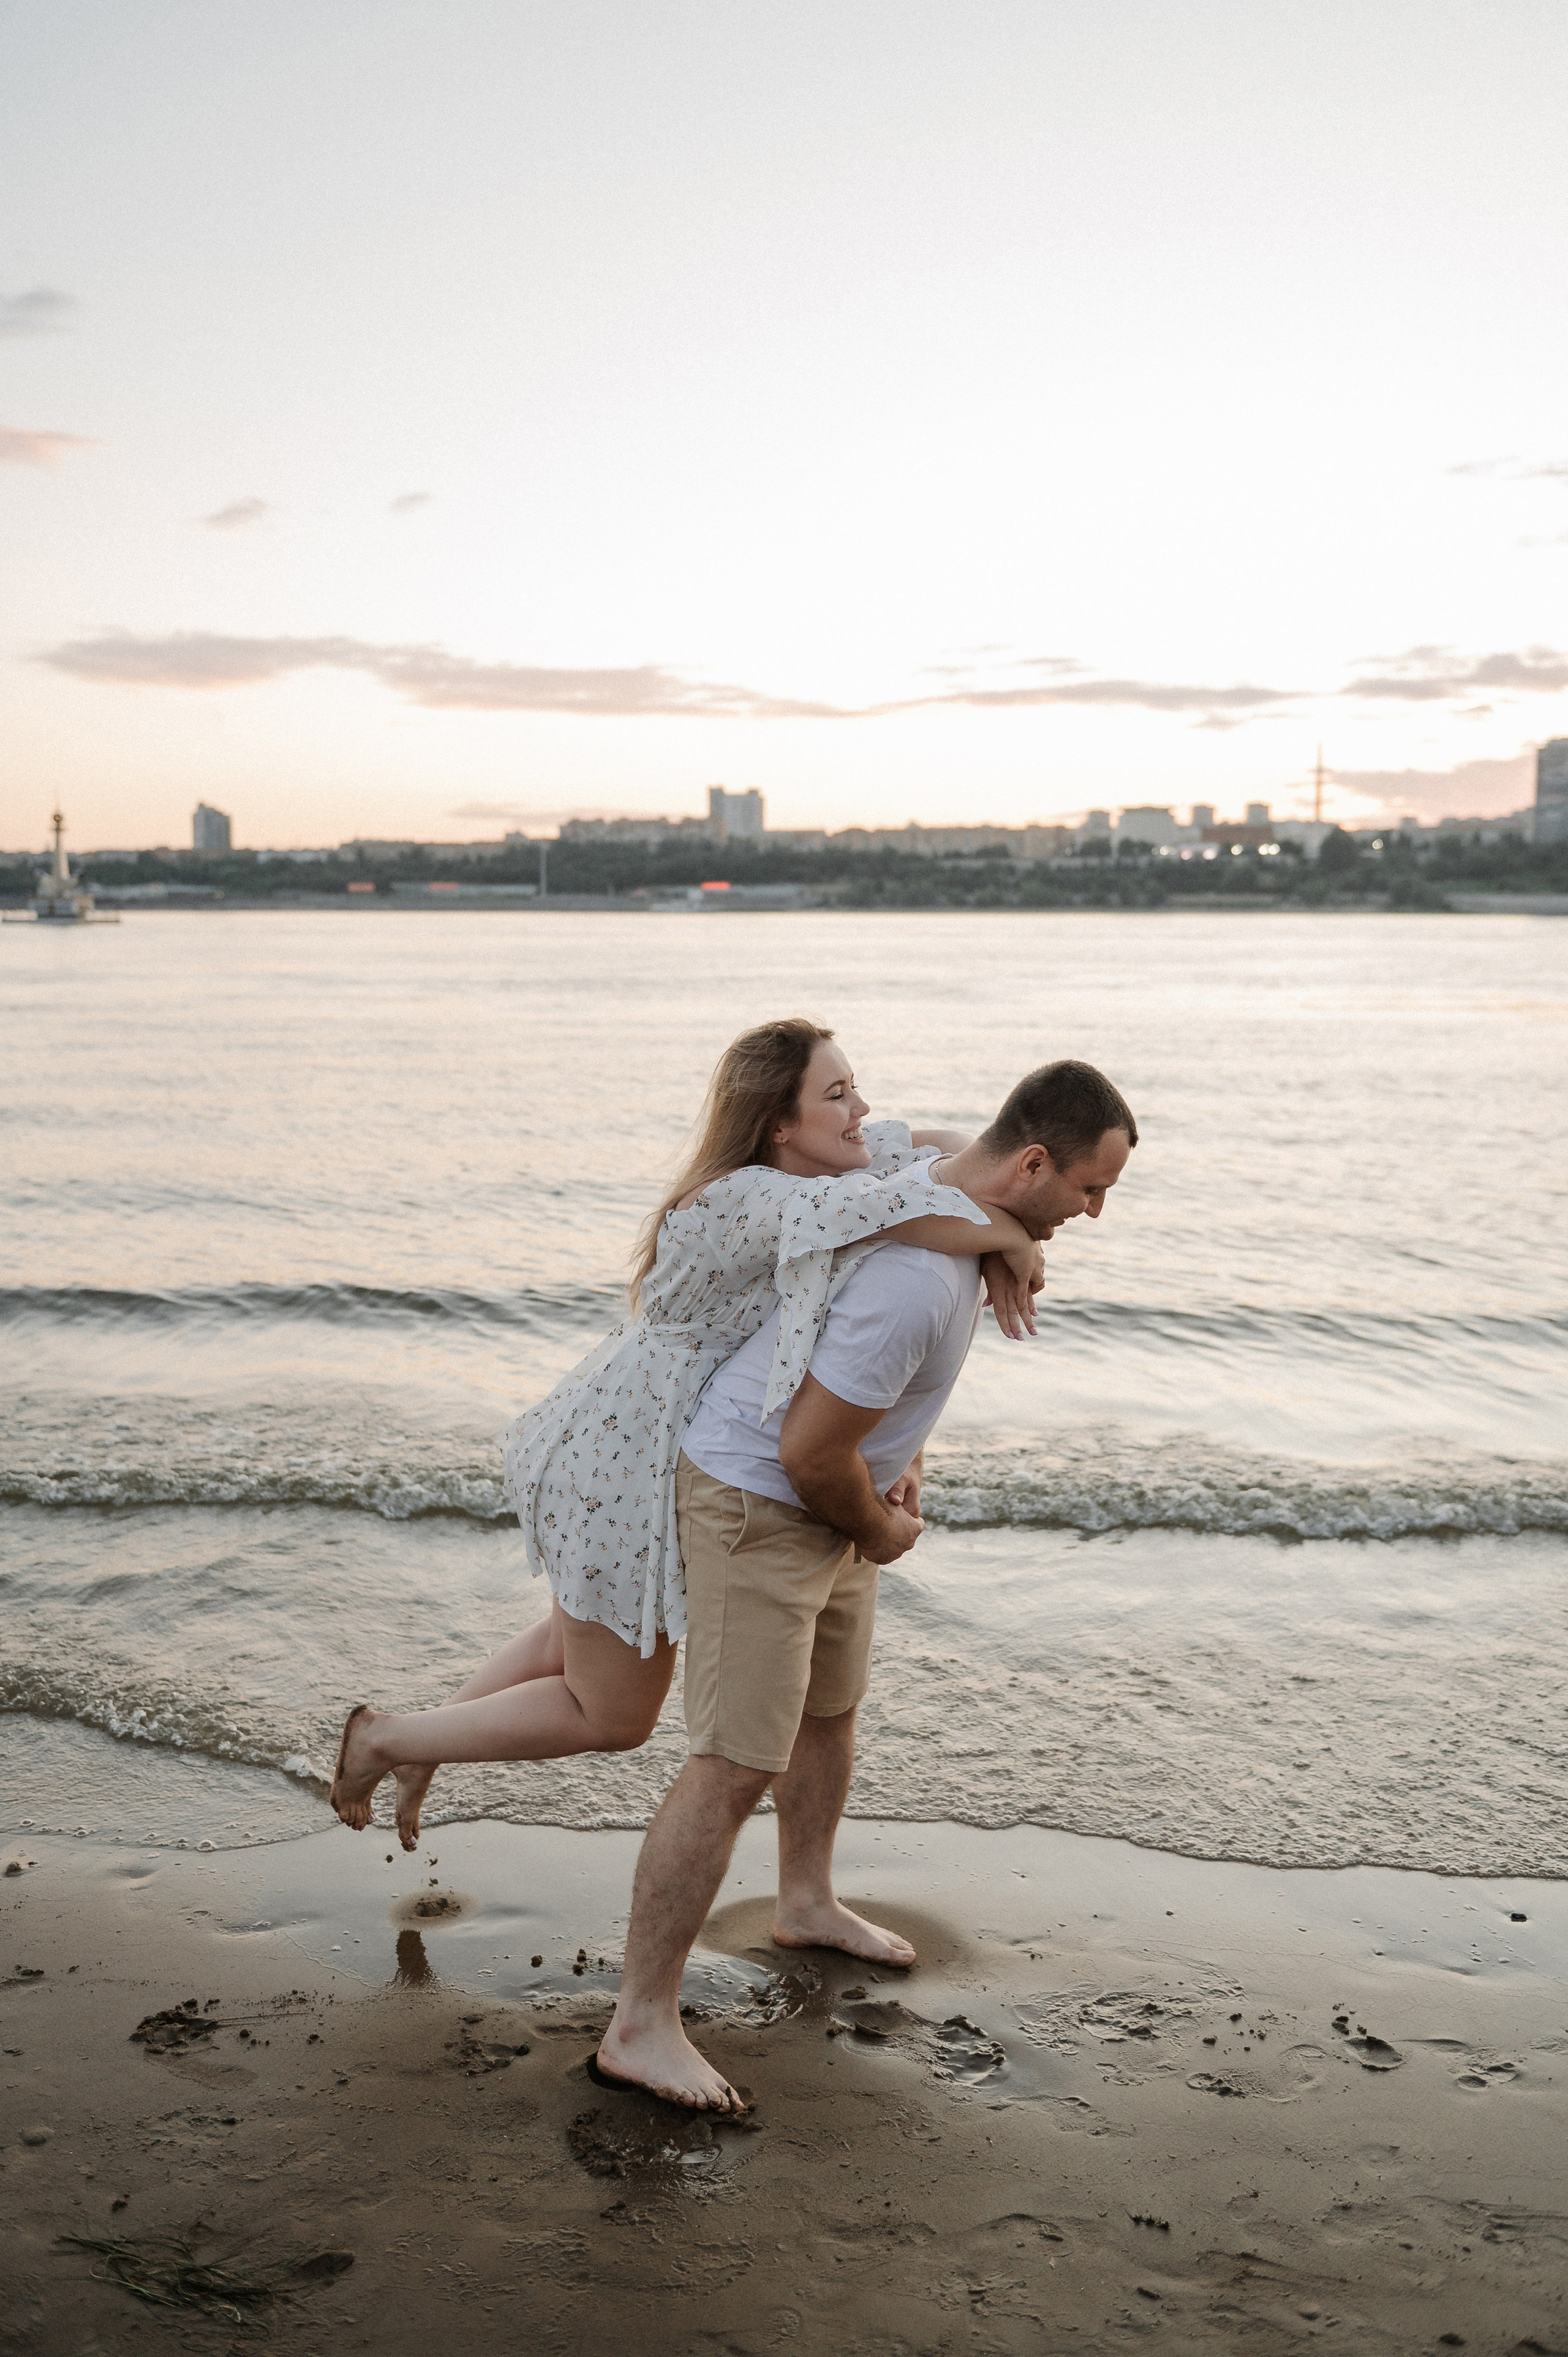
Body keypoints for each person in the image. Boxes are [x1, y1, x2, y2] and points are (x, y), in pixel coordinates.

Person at [328, 1019, 1046, 1844]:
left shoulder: (820, 1163)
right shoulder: (752, 1197)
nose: (863, 1108)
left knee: (578, 1633)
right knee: (611, 1710)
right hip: (624, 1458)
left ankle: (422, 1748)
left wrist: (996, 1227)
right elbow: (915, 1214)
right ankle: (384, 1738)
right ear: (780, 1124)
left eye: (855, 1088)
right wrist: (1016, 1238)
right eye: (837, 1093)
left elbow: (946, 1148)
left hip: (634, 1436)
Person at [595, 1057, 1137, 2111]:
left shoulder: (952, 1198)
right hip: (765, 1503)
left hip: (836, 1496)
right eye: (1087, 1189)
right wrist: (883, 1529)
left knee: (828, 1717)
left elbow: (935, 1176)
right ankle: (640, 2023)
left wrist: (1011, 1245)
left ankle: (806, 1901)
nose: (1095, 1211)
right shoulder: (920, 1280)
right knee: (731, 1764)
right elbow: (808, 1451)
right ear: (1032, 1161)